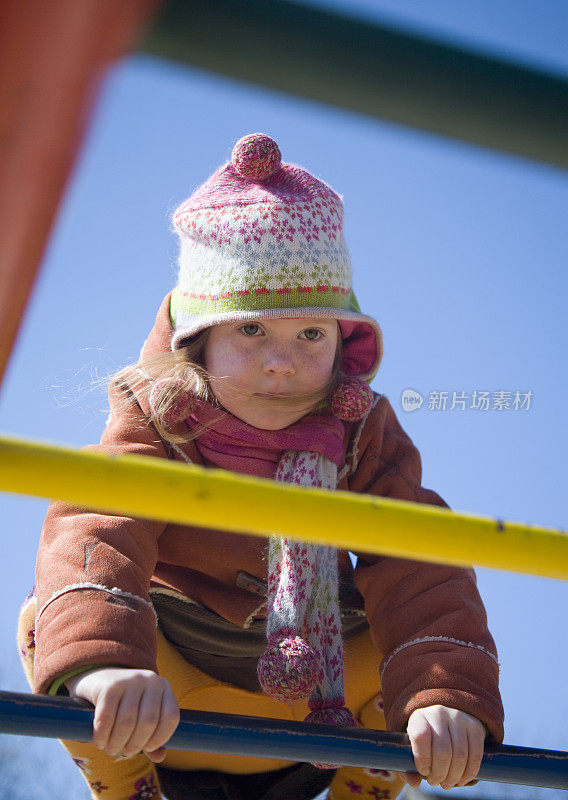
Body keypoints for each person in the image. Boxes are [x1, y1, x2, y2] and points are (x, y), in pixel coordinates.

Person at [18, 133, 503, 800]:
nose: (282, 361)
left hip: (317, 695)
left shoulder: (359, 433)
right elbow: (100, 523)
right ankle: (126, 781)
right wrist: (106, 664)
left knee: (412, 674)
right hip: (167, 695)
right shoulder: (159, 414)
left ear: (344, 344)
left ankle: (370, 778)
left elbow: (419, 562)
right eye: (251, 330)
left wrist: (446, 693)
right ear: (198, 342)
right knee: (46, 623)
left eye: (310, 334)